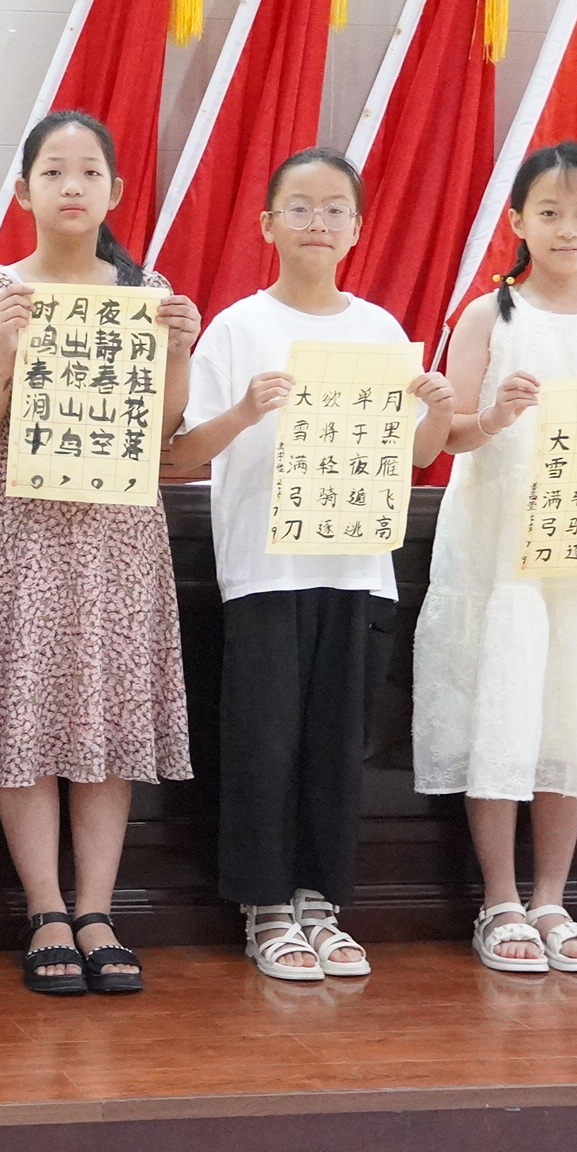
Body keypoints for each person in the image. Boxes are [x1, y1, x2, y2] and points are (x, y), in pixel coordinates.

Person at [164, 149, 452, 981]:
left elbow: (417, 455)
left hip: (358, 568)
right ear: (267, 224)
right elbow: (179, 455)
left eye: (334, 209)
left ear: (357, 229)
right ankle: (263, 908)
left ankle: (320, 904)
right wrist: (246, 410)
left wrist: (436, 412)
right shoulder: (238, 327)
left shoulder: (381, 332)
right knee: (264, 742)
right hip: (265, 571)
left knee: (335, 744)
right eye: (299, 207)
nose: (317, 222)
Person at [0, 110, 201, 997]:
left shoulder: (146, 292)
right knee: (27, 720)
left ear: (115, 191)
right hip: (17, 532)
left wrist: (179, 351)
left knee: (107, 726)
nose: (72, 186)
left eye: (89, 171)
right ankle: (45, 909)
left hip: (118, 540)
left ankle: (97, 910)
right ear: (24, 192)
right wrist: (4, 348)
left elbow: (161, 435)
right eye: (53, 171)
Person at [415, 141, 577, 975]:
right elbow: (447, 435)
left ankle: (553, 899)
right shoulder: (487, 317)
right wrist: (495, 416)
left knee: (572, 711)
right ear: (517, 222)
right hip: (500, 551)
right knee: (498, 708)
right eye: (551, 213)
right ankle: (499, 900)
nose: (569, 229)